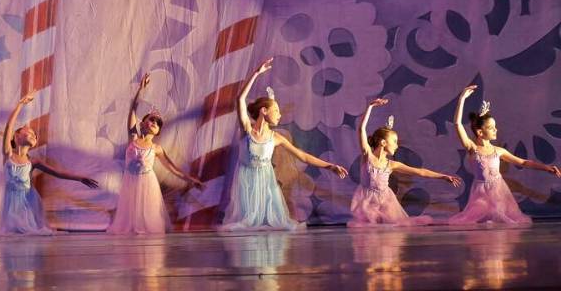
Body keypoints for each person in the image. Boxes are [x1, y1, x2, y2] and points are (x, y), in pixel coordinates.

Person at [220, 58, 348, 230]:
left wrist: (330, 166)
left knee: (273, 224)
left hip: (266, 182)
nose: (279, 115)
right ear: (264, 111)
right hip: (247, 181)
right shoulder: (247, 130)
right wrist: (256, 74)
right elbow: (240, 99)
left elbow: (302, 156)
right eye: (276, 111)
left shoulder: (276, 137)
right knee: (248, 224)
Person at [448, 86, 561, 226]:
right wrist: (462, 99)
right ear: (480, 132)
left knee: (499, 216)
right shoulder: (472, 148)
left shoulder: (498, 151)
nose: (496, 130)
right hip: (480, 192)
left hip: (498, 191)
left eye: (495, 127)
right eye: (491, 128)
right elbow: (457, 124)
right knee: (479, 215)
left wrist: (546, 167)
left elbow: (523, 162)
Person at [108, 75, 202, 234]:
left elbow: (173, 169)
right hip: (131, 181)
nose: (154, 123)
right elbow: (132, 109)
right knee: (129, 222)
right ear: (142, 123)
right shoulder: (133, 137)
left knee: (149, 221)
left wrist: (190, 180)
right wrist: (141, 90)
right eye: (151, 120)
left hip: (148, 183)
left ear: (158, 131)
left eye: (157, 123)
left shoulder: (156, 148)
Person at [350, 98, 459, 227]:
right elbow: (361, 129)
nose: (397, 145)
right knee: (371, 227)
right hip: (367, 201)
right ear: (383, 142)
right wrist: (370, 107)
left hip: (386, 200)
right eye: (394, 141)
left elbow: (420, 172)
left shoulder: (391, 164)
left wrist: (442, 176)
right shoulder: (367, 155)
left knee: (392, 229)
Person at [0, 93, 98, 234]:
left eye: (34, 135)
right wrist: (20, 104)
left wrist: (79, 178)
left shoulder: (32, 161)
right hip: (11, 201)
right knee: (13, 231)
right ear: (16, 136)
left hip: (28, 200)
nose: (33, 135)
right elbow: (9, 126)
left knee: (28, 231)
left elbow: (58, 172)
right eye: (29, 131)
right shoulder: (8, 154)